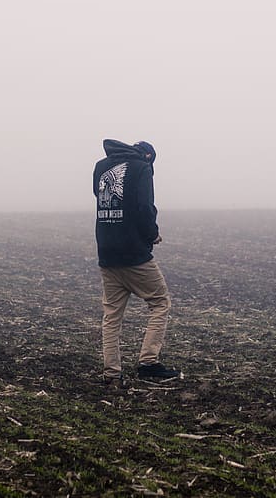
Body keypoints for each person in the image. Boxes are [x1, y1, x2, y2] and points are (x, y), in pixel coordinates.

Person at [93, 139, 180, 385]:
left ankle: (111, 374)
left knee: (111, 315)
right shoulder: (141, 168)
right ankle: (148, 362)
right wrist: (152, 234)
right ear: (149, 157)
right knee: (160, 302)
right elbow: (144, 207)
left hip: (107, 252)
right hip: (133, 254)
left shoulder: (100, 167)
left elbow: (105, 200)